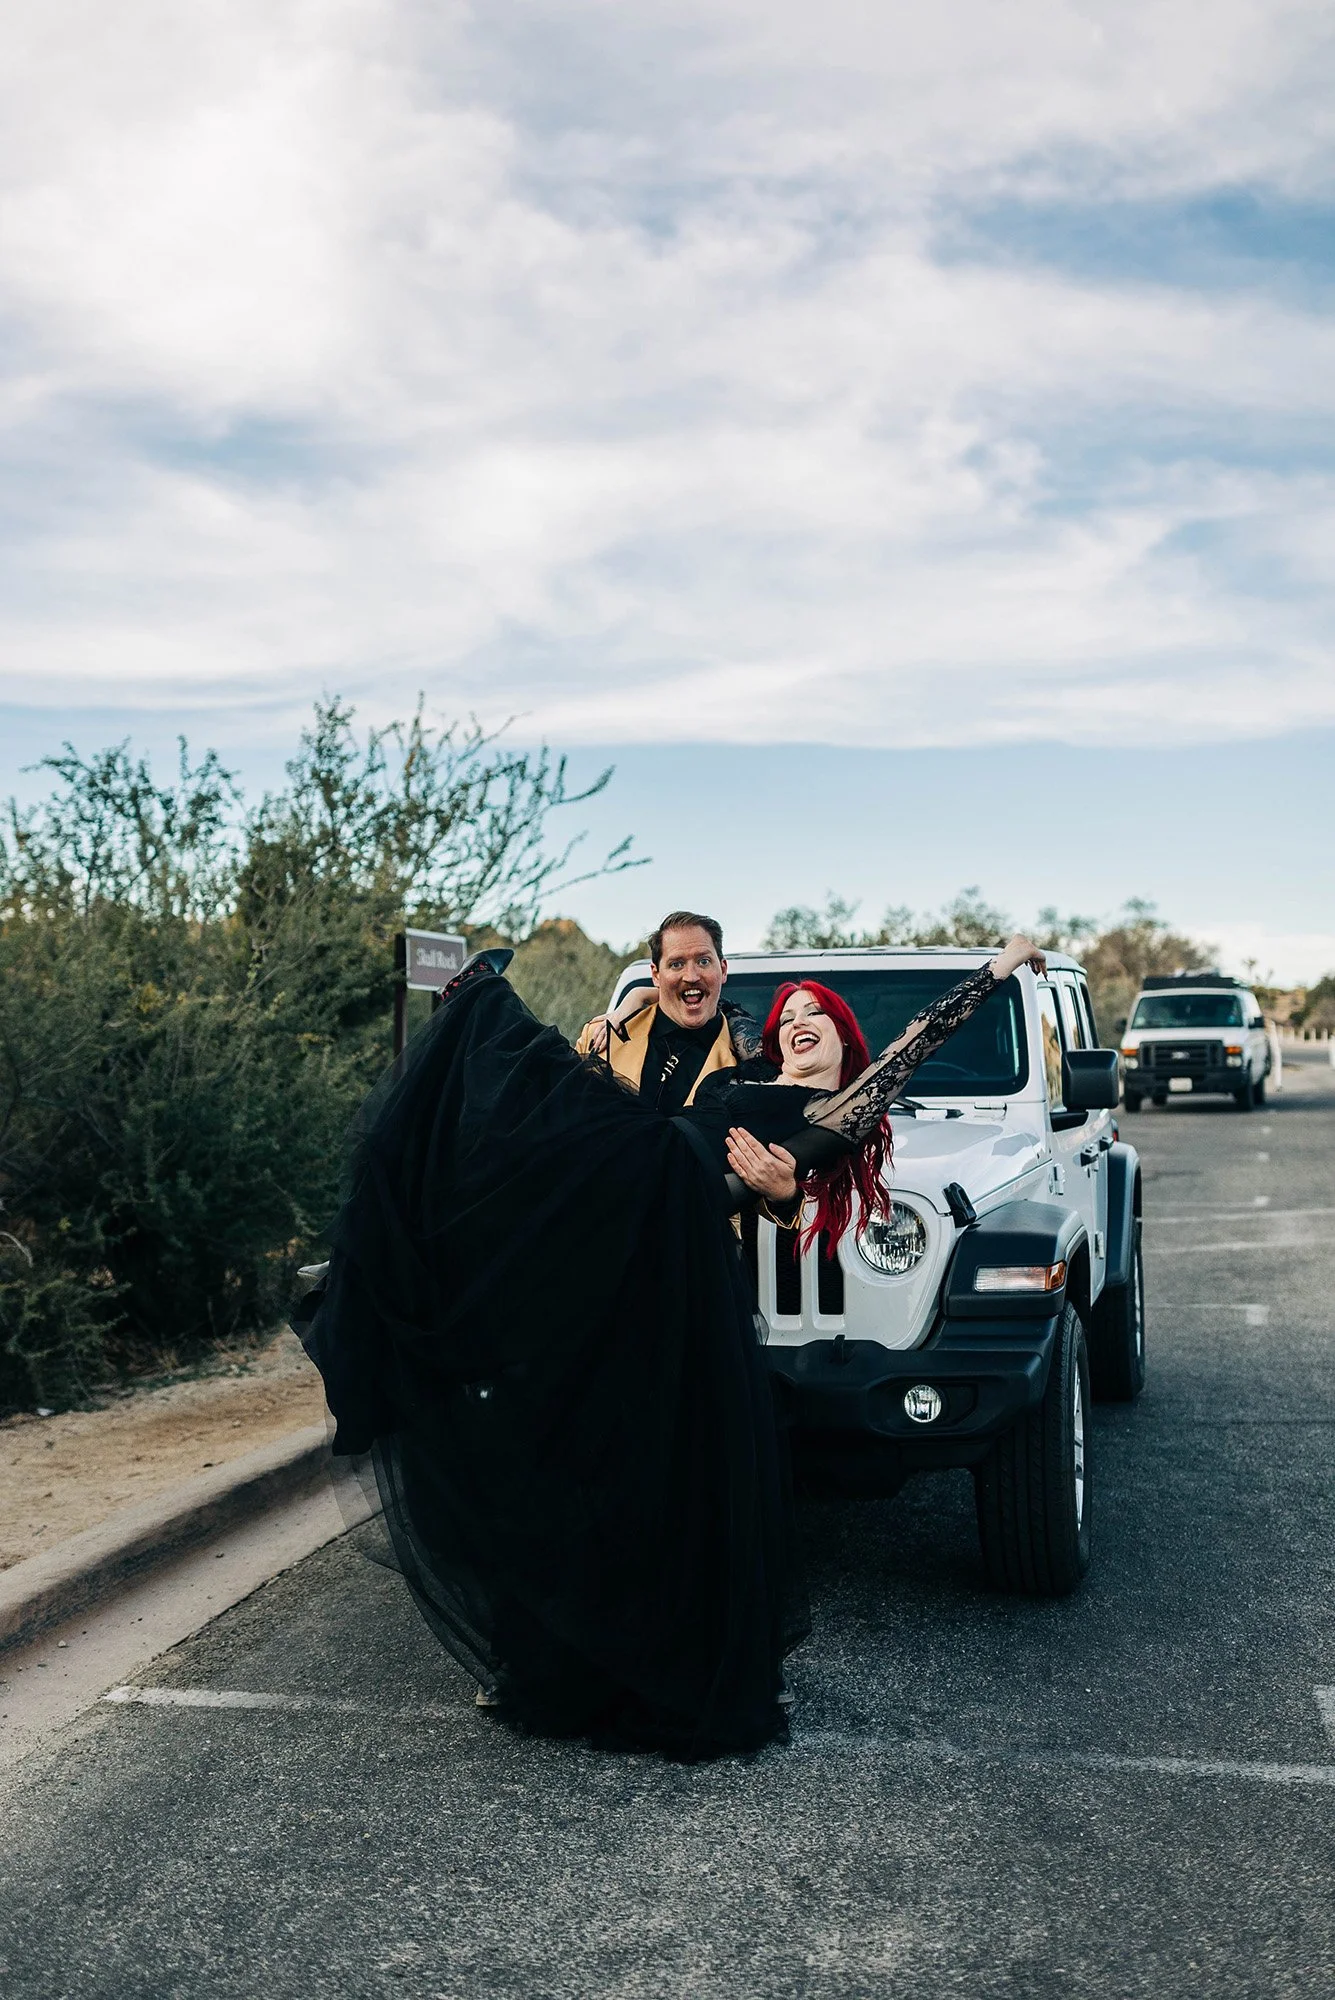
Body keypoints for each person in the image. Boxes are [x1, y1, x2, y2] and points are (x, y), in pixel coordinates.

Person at [296, 931, 1046, 1762]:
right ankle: (383, 1254)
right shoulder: (740, 1078)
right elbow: (657, 1072)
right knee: (517, 1164)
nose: (797, 1023)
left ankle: (477, 1000)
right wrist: (620, 1020)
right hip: (641, 1175)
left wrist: (1002, 965)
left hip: (663, 1204)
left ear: (846, 1043)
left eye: (816, 1017)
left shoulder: (836, 1110)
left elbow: (921, 1037)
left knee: (658, 1460)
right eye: (789, 1014)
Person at [574, 910, 762, 1112]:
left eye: (703, 961)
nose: (691, 976)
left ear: (723, 970)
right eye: (676, 964)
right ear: (656, 975)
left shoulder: (749, 1064)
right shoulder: (601, 1037)